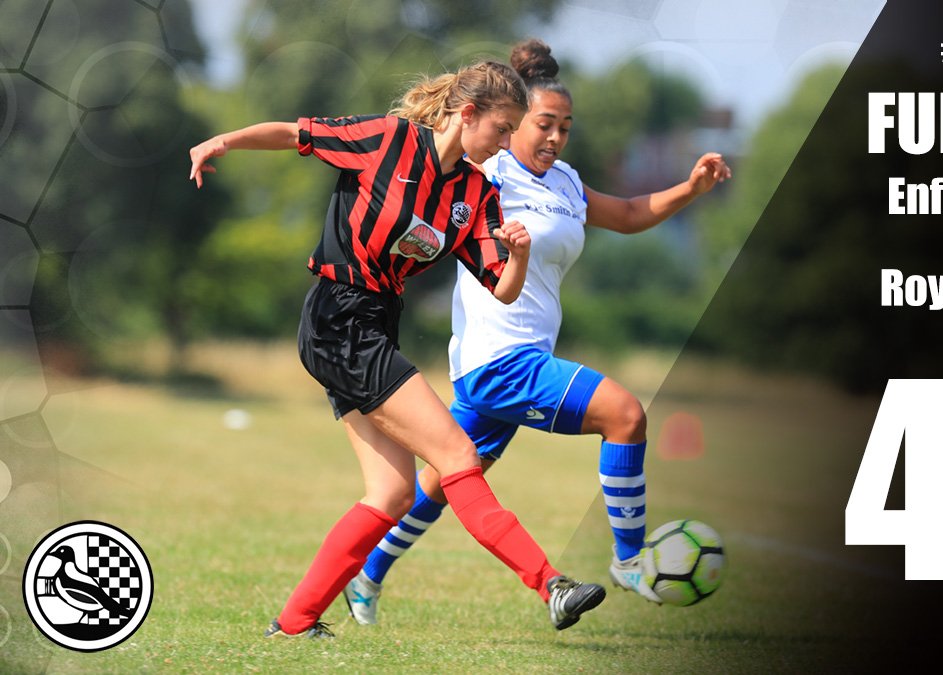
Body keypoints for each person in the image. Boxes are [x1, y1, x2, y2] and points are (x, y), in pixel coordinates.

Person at [187, 59, 606, 638]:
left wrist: (521, 254)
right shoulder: (387, 140)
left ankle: (294, 622)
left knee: (391, 493)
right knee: (458, 457)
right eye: (503, 128)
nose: (508, 142)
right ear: (468, 114)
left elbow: (503, 290)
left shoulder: (476, 193)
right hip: (339, 317)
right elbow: (295, 133)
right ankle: (550, 585)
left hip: (376, 326)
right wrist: (222, 141)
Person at [341, 39, 731, 625]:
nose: (554, 138)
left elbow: (626, 216)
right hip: (500, 359)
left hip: (510, 359)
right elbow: (428, 164)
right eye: (544, 125)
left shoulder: (567, 183)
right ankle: (629, 562)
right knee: (624, 415)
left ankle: (366, 575)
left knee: (449, 479)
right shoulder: (485, 174)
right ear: (513, 123)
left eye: (565, 128)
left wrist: (691, 189)